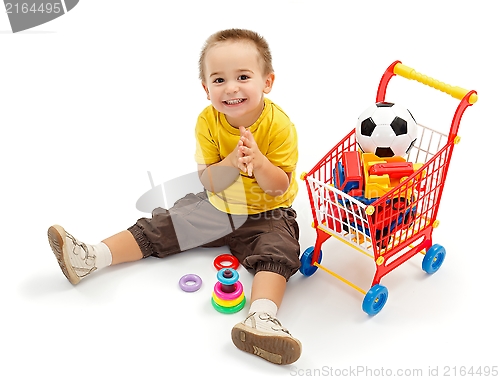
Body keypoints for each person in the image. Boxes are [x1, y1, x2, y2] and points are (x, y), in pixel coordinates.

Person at [47, 28, 302, 365]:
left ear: (267, 82)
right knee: (163, 223)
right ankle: (92, 256)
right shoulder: (207, 122)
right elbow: (210, 181)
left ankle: (262, 318)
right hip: (218, 205)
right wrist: (231, 163)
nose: (231, 88)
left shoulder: (279, 125)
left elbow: (278, 187)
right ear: (206, 88)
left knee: (278, 250)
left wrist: (258, 162)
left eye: (243, 76)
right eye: (219, 80)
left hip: (268, 213)